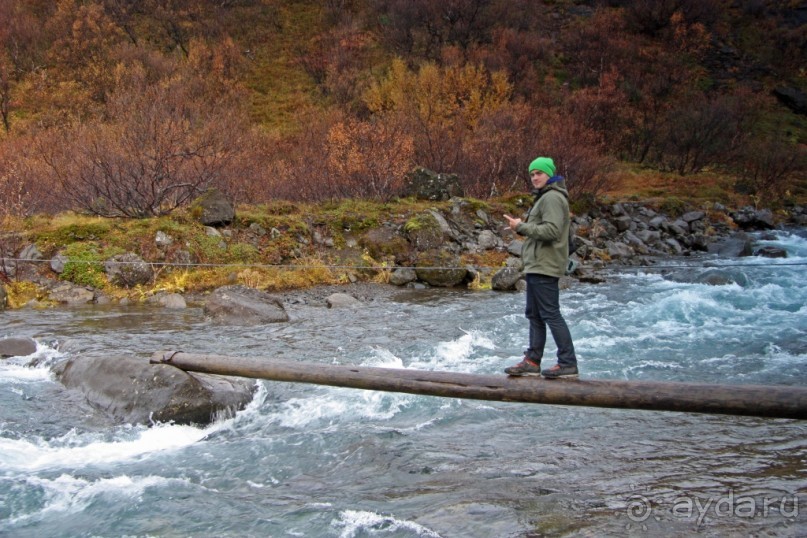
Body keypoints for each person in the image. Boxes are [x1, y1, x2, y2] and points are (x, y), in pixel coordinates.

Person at [503, 156, 578, 378]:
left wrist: (522, 227)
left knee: (550, 314)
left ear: (549, 174)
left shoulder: (552, 198)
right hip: (538, 265)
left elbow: (552, 231)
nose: (535, 177)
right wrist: (523, 227)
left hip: (545, 265)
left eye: (539, 173)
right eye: (532, 174)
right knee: (534, 315)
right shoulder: (545, 197)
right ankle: (533, 361)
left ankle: (568, 363)